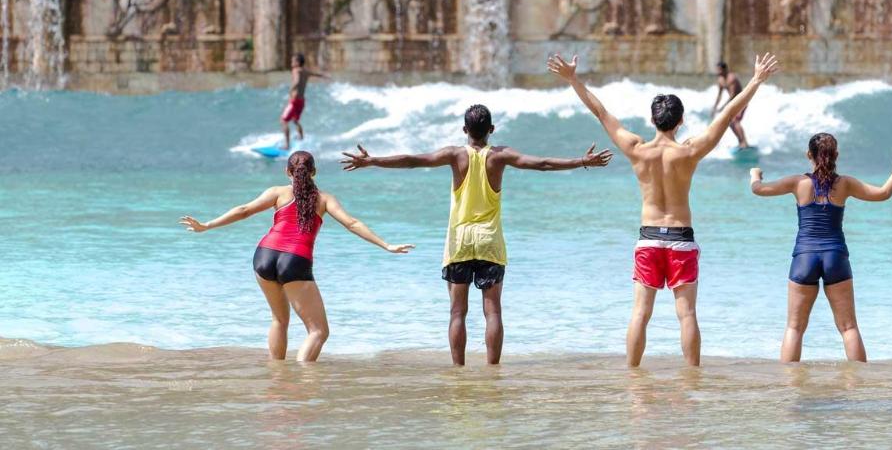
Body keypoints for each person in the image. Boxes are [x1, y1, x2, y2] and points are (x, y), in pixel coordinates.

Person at [549, 52, 779, 367]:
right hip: (681, 239)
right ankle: (692, 377)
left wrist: (573, 79)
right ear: (680, 121)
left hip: (649, 239)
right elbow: (727, 114)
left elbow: (601, 113)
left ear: (652, 120)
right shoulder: (689, 151)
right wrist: (756, 80)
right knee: (687, 314)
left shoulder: (636, 149)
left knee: (640, 314)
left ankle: (632, 374)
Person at [339, 104, 613, 366]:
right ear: (491, 129)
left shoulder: (455, 155)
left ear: (464, 130)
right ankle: (492, 369)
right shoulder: (500, 156)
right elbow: (541, 163)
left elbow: (413, 160)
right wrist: (581, 161)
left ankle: (458, 370)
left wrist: (372, 161)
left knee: (457, 312)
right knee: (492, 311)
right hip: (489, 242)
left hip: (459, 242)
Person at [179, 150, 413, 362]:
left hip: (264, 255)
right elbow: (352, 223)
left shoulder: (277, 192)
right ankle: (302, 377)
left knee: (279, 320)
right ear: (314, 172)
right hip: (295, 260)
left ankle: (277, 374)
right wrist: (386, 245)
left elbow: (244, 210)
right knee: (318, 331)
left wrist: (207, 225)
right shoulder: (324, 198)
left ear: (287, 171)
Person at [749, 134, 892, 363]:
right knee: (848, 327)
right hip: (836, 256)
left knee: (794, 327)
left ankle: (790, 382)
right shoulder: (844, 183)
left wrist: (755, 174)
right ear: (836, 155)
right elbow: (883, 193)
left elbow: (758, 189)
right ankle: (858, 382)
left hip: (804, 257)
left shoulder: (798, 182)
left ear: (809, 155)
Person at [281, 53, 330, 150]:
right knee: (295, 120)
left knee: (284, 121)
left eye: (293, 61)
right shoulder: (305, 71)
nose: (291, 63)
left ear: (297, 62)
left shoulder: (296, 70)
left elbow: (297, 81)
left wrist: (291, 90)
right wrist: (325, 76)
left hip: (294, 100)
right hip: (302, 101)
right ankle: (301, 137)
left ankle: (287, 145)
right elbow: (316, 74)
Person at [711, 61, 750, 149]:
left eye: (719, 70)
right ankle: (740, 142)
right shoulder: (720, 80)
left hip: (742, 101)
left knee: (735, 121)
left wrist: (723, 107)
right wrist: (714, 107)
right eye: (717, 70)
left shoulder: (732, 78)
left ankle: (744, 143)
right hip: (734, 103)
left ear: (725, 69)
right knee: (730, 122)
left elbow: (732, 95)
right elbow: (719, 95)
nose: (718, 72)